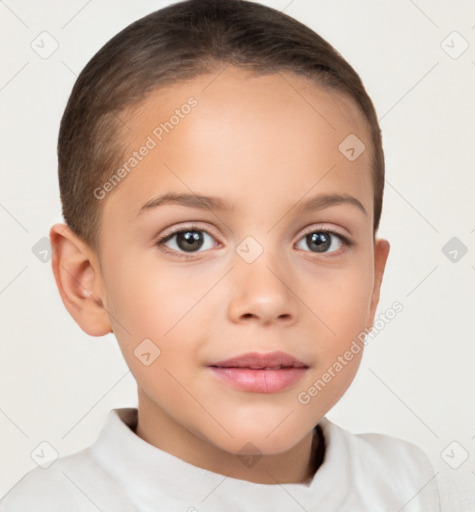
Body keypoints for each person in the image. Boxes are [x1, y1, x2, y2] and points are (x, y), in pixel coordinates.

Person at [0, 0, 440, 509]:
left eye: (320, 239)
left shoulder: (404, 484)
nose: (267, 298)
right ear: (86, 282)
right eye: (190, 239)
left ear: (374, 283)